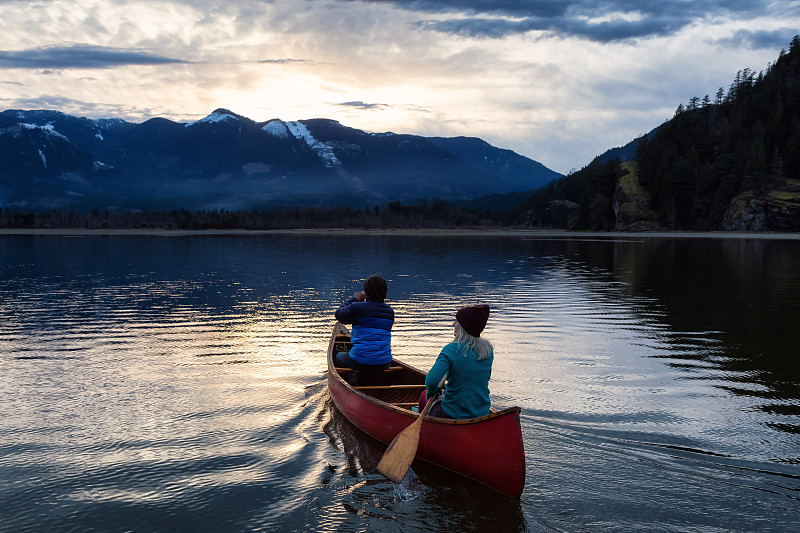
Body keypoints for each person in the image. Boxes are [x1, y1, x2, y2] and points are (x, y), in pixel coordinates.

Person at [420, 304, 493, 419]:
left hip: (453, 414)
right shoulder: (488, 351)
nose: (453, 324)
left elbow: (431, 381)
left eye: (457, 321)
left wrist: (433, 392)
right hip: (481, 413)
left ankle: (425, 428)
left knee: (424, 395)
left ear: (464, 327)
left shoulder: (451, 350)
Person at [334, 274, 394, 385]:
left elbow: (339, 314)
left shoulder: (357, 307)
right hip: (385, 363)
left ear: (366, 291)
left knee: (338, 356)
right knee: (370, 359)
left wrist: (356, 299)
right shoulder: (390, 312)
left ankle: (354, 377)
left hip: (359, 362)